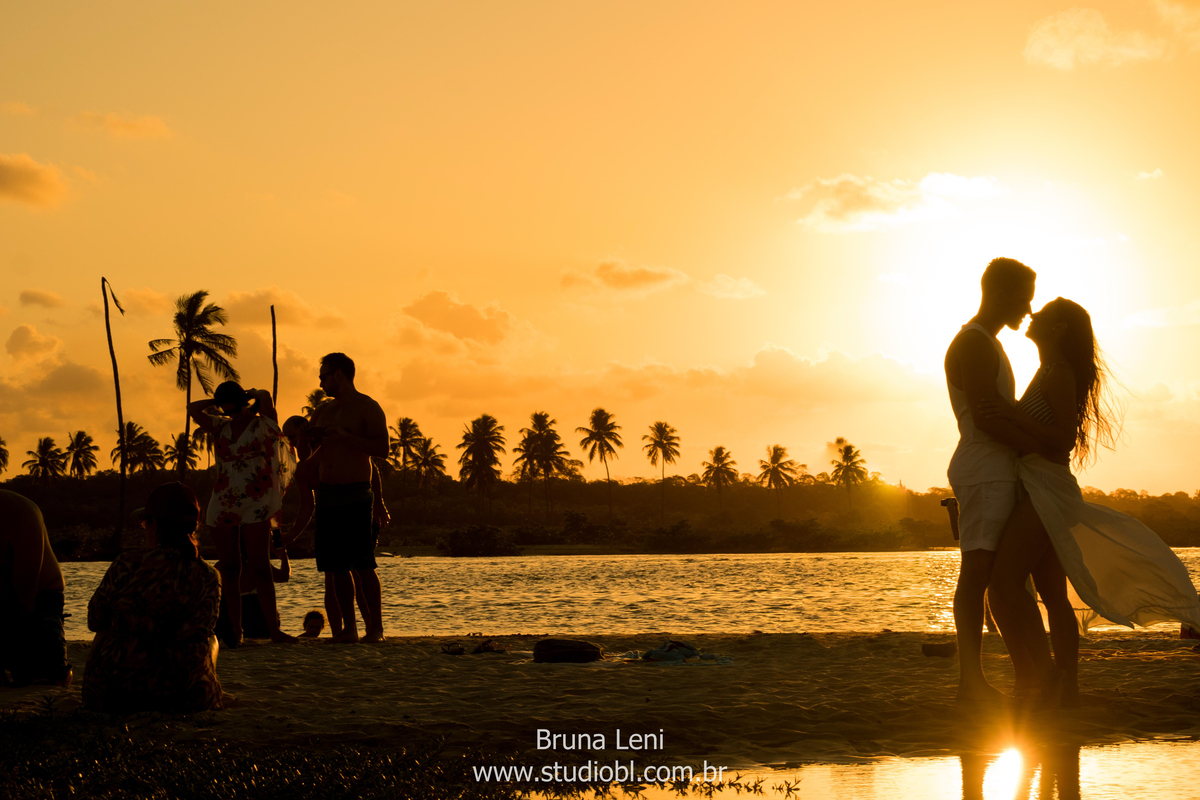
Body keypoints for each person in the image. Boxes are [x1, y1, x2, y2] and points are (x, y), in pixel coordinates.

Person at [980, 298, 1200, 703]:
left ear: (1059, 328)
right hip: (1038, 483)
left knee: (1005, 581)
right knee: (1052, 594)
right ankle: (1068, 688)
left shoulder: (1060, 374)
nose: (1031, 315)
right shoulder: (1048, 369)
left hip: (1046, 487)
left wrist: (1012, 415)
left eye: (1042, 313)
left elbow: (1064, 439)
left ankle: (1046, 678)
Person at [944, 257, 1059, 703]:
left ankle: (1025, 675)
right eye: (1024, 298)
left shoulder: (986, 342)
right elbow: (987, 419)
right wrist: (1040, 447)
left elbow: (998, 414)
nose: (1028, 310)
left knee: (1002, 577)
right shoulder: (974, 343)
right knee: (977, 575)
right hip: (984, 471)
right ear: (1000, 293)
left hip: (996, 470)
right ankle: (971, 681)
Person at [82, 482, 223, 713]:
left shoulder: (127, 563)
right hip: (182, 696)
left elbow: (95, 620)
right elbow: (201, 629)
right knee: (211, 639)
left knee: (106, 630)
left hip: (116, 693)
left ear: (155, 525)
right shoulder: (208, 575)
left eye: (144, 522)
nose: (143, 528)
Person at [290, 357, 390, 643]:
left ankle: (376, 629)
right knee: (336, 567)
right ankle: (349, 629)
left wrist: (345, 436)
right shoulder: (323, 411)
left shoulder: (367, 407)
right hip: (327, 494)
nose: (321, 383)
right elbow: (308, 456)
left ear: (339, 375)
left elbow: (382, 449)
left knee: (363, 563)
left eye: (324, 376)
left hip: (356, 492)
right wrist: (305, 439)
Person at [190, 381, 297, 645]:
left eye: (236, 409)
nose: (232, 414)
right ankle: (236, 631)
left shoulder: (264, 424)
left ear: (245, 404)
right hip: (224, 499)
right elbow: (192, 409)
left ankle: (274, 631)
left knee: (261, 567)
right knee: (229, 568)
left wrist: (251, 395)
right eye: (227, 411)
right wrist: (218, 403)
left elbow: (266, 397)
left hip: (256, 500)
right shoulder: (220, 426)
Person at [0, 490, 71, 687]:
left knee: (48, 676)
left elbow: (28, 576)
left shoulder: (18, 509)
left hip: (38, 598)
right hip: (7, 601)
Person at [214, 528, 290, 642]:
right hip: (257, 621)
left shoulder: (221, 566)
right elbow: (284, 576)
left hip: (228, 622)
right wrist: (283, 556)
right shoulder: (256, 564)